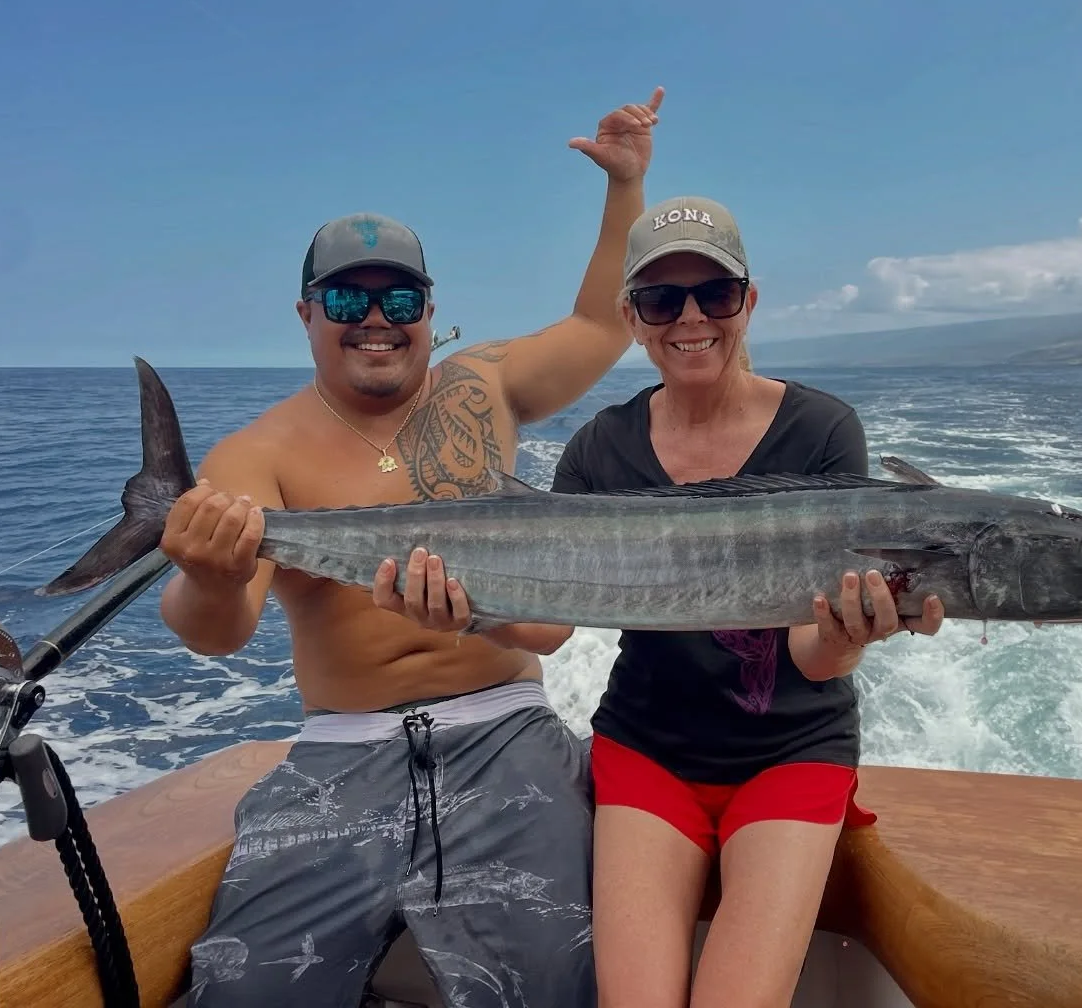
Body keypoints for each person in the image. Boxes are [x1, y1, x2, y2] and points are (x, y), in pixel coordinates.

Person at [162, 87, 665, 1008]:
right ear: (306, 314)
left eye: (400, 296)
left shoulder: (488, 385)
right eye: (347, 297)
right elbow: (217, 629)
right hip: (337, 753)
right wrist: (204, 571)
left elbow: (601, 325)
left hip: (506, 732)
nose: (376, 318)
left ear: (431, 310)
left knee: (558, 983)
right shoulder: (257, 453)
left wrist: (625, 185)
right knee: (247, 992)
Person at [384, 195, 946, 1008]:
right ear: (633, 318)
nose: (690, 318)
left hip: (791, 754)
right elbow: (548, 628)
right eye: (661, 299)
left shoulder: (824, 430)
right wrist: (465, 608)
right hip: (648, 752)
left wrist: (855, 635)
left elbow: (808, 656)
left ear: (748, 302)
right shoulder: (599, 448)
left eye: (713, 294)